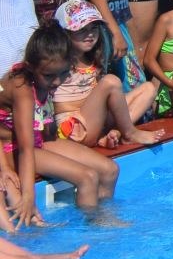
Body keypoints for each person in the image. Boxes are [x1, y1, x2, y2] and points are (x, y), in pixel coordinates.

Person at [3, 25, 122, 221]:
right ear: (31, 66)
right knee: (88, 177)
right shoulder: (22, 90)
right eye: (50, 76)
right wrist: (28, 197)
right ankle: (91, 230)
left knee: (110, 170)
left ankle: (103, 217)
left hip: (39, 142)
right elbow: (25, 148)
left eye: (64, 73)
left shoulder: (46, 74)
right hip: (12, 148)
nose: (57, 81)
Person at [49, 0, 161, 148]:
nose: (90, 34)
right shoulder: (59, 62)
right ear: (64, 32)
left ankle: (115, 132)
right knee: (111, 82)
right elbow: (57, 105)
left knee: (148, 88)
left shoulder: (93, 58)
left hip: (95, 121)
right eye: (82, 29)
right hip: (73, 129)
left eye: (93, 28)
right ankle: (129, 133)